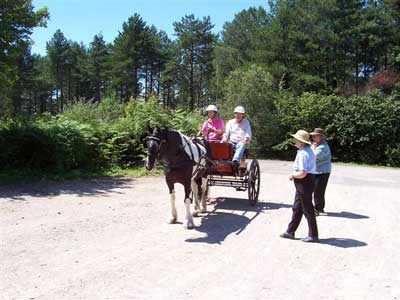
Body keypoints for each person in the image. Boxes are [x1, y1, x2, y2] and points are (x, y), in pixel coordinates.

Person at [280, 130, 319, 243]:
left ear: (301, 142)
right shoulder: (309, 150)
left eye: (296, 139)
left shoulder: (302, 153)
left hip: (303, 182)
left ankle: (313, 235)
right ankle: (290, 231)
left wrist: (292, 175)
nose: (294, 141)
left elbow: (302, 173)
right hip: (308, 181)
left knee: (307, 209)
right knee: (297, 207)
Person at [221, 106, 252, 172]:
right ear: (234, 114)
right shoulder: (230, 122)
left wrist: (246, 139)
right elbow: (226, 133)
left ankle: (235, 161)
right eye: (236, 114)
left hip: (241, 142)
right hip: (231, 142)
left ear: (242, 115)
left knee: (242, 144)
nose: (237, 115)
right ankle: (220, 163)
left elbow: (248, 132)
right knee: (222, 144)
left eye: (239, 114)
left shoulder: (246, 122)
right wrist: (225, 138)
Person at [310, 128, 332, 215]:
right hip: (317, 171)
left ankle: (318, 209)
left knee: (318, 191)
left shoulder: (323, 146)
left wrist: (313, 147)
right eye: (313, 136)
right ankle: (319, 208)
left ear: (321, 137)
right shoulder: (316, 145)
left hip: (323, 172)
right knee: (316, 190)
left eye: (315, 136)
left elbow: (314, 156)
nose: (313, 137)